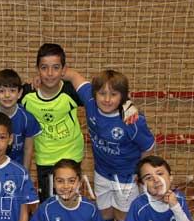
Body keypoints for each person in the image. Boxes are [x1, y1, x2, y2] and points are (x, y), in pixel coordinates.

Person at [63, 68, 155, 221]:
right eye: (102, 93)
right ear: (94, 94)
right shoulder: (89, 101)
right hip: (102, 171)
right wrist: (51, 75)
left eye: (113, 94)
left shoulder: (132, 120)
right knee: (104, 211)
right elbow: (74, 76)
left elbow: (148, 147)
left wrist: (142, 174)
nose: (106, 99)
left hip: (126, 176)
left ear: (123, 96)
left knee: (123, 215)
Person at [20, 44, 139, 203]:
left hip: (72, 155)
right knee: (48, 205)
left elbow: (104, 95)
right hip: (45, 159)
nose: (50, 73)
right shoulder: (27, 93)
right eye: (44, 68)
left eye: (55, 67)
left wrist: (127, 103)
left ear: (64, 70)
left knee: (70, 202)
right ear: (37, 70)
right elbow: (4, 96)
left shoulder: (71, 91)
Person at [0, 68, 42, 170]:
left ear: (19, 93)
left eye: (12, 91)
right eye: (1, 91)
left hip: (16, 170)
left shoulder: (27, 118)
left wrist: (25, 172)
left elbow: (28, 149)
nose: (7, 95)